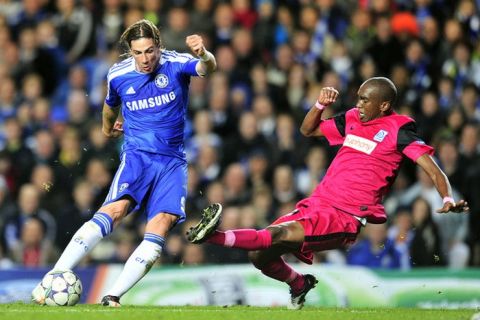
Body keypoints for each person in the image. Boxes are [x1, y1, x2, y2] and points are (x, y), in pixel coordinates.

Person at [186, 77, 469, 309]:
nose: (358, 104)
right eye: (358, 97)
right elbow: (307, 130)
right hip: (318, 202)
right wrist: (320, 104)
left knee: (277, 234)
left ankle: (213, 236)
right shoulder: (352, 119)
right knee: (259, 257)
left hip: (344, 216)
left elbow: (432, 168)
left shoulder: (399, 129)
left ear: (384, 105)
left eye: (365, 100)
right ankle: (299, 283)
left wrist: (446, 197)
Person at [32, 19, 217, 307]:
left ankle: (112, 296)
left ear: (159, 45)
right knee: (115, 210)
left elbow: (207, 68)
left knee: (162, 224)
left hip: (172, 162)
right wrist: (107, 129)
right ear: (130, 52)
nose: (146, 59)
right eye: (139, 53)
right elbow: (110, 104)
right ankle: (54, 275)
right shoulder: (118, 75)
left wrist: (203, 54)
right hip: (138, 157)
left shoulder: (177, 63)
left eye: (151, 51)